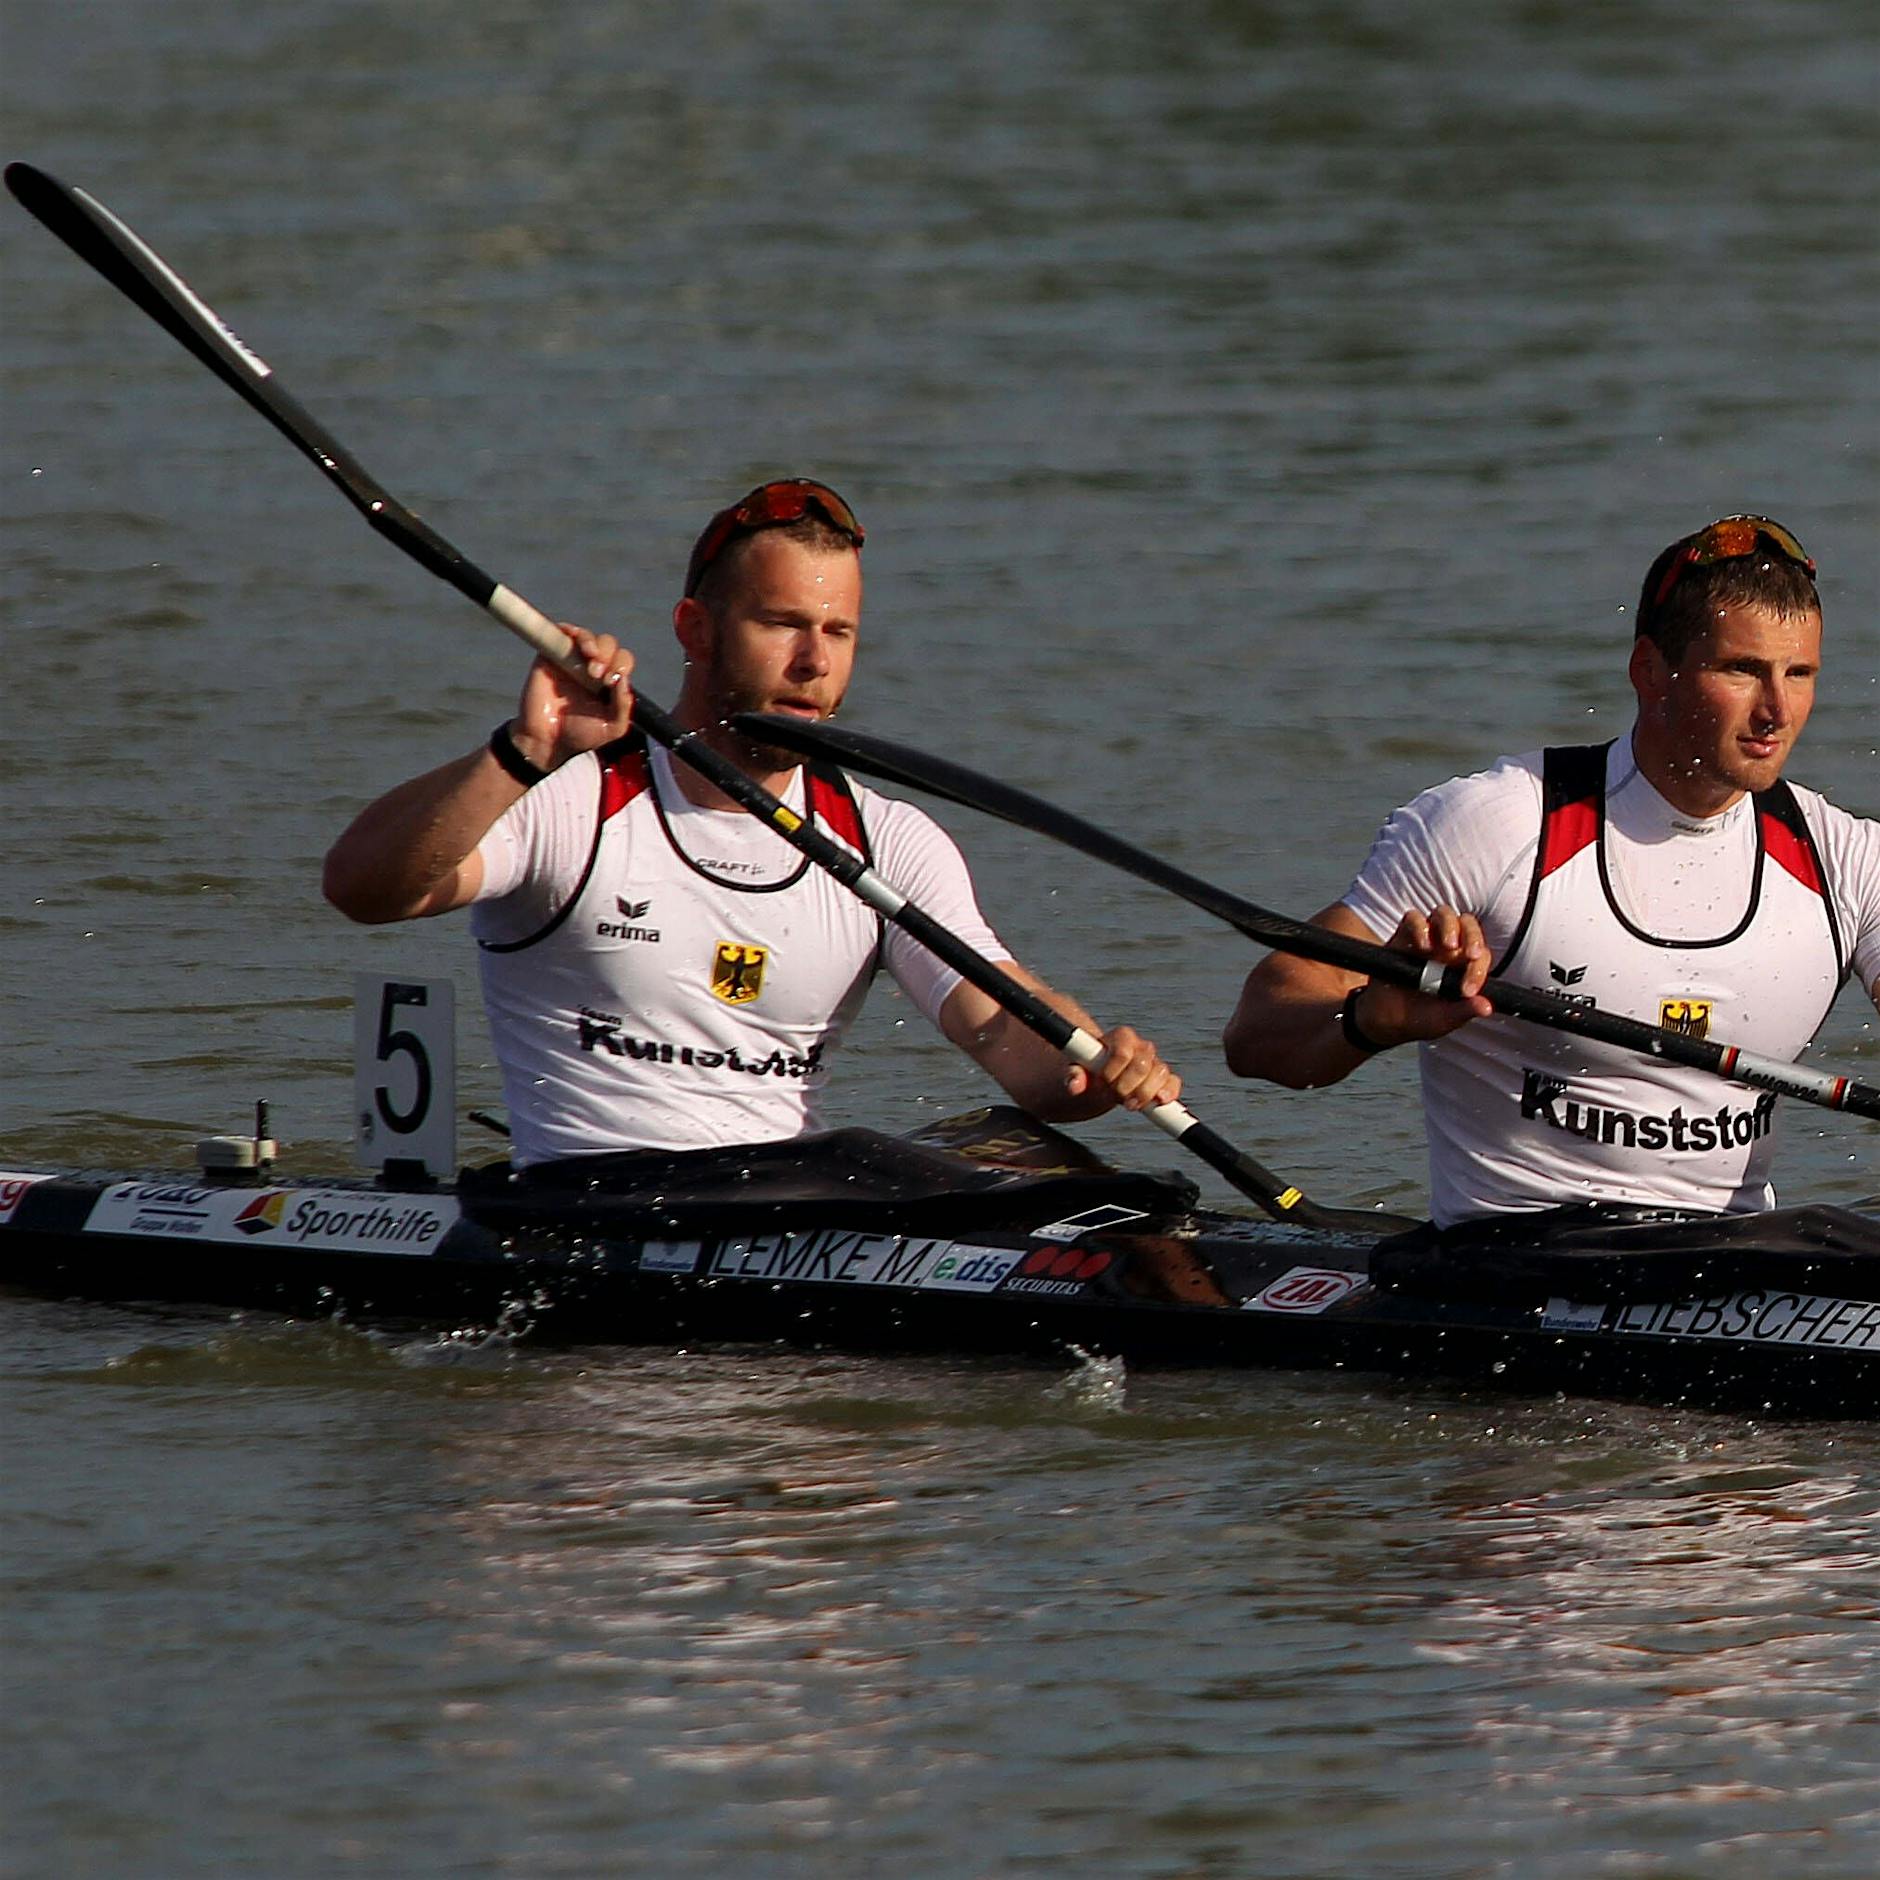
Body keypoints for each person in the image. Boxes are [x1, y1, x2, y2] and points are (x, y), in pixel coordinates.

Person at [324, 478, 1178, 1168]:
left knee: (1026, 1159)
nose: (815, 663)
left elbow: (998, 1025)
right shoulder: (573, 798)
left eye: (839, 632)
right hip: (582, 1209)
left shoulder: (883, 839)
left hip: (777, 1209)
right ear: (695, 629)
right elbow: (364, 889)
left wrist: (1091, 1067)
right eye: (783, 625)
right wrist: (524, 751)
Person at [1224, 514, 1880, 1227]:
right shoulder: (1499, 826)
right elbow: (1257, 1033)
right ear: (1650, 671)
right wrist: (1368, 1022)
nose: (1777, 710)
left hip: (1733, 1255)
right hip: (1519, 1253)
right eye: (1742, 670)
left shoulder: (1844, 859)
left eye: (1799, 674)